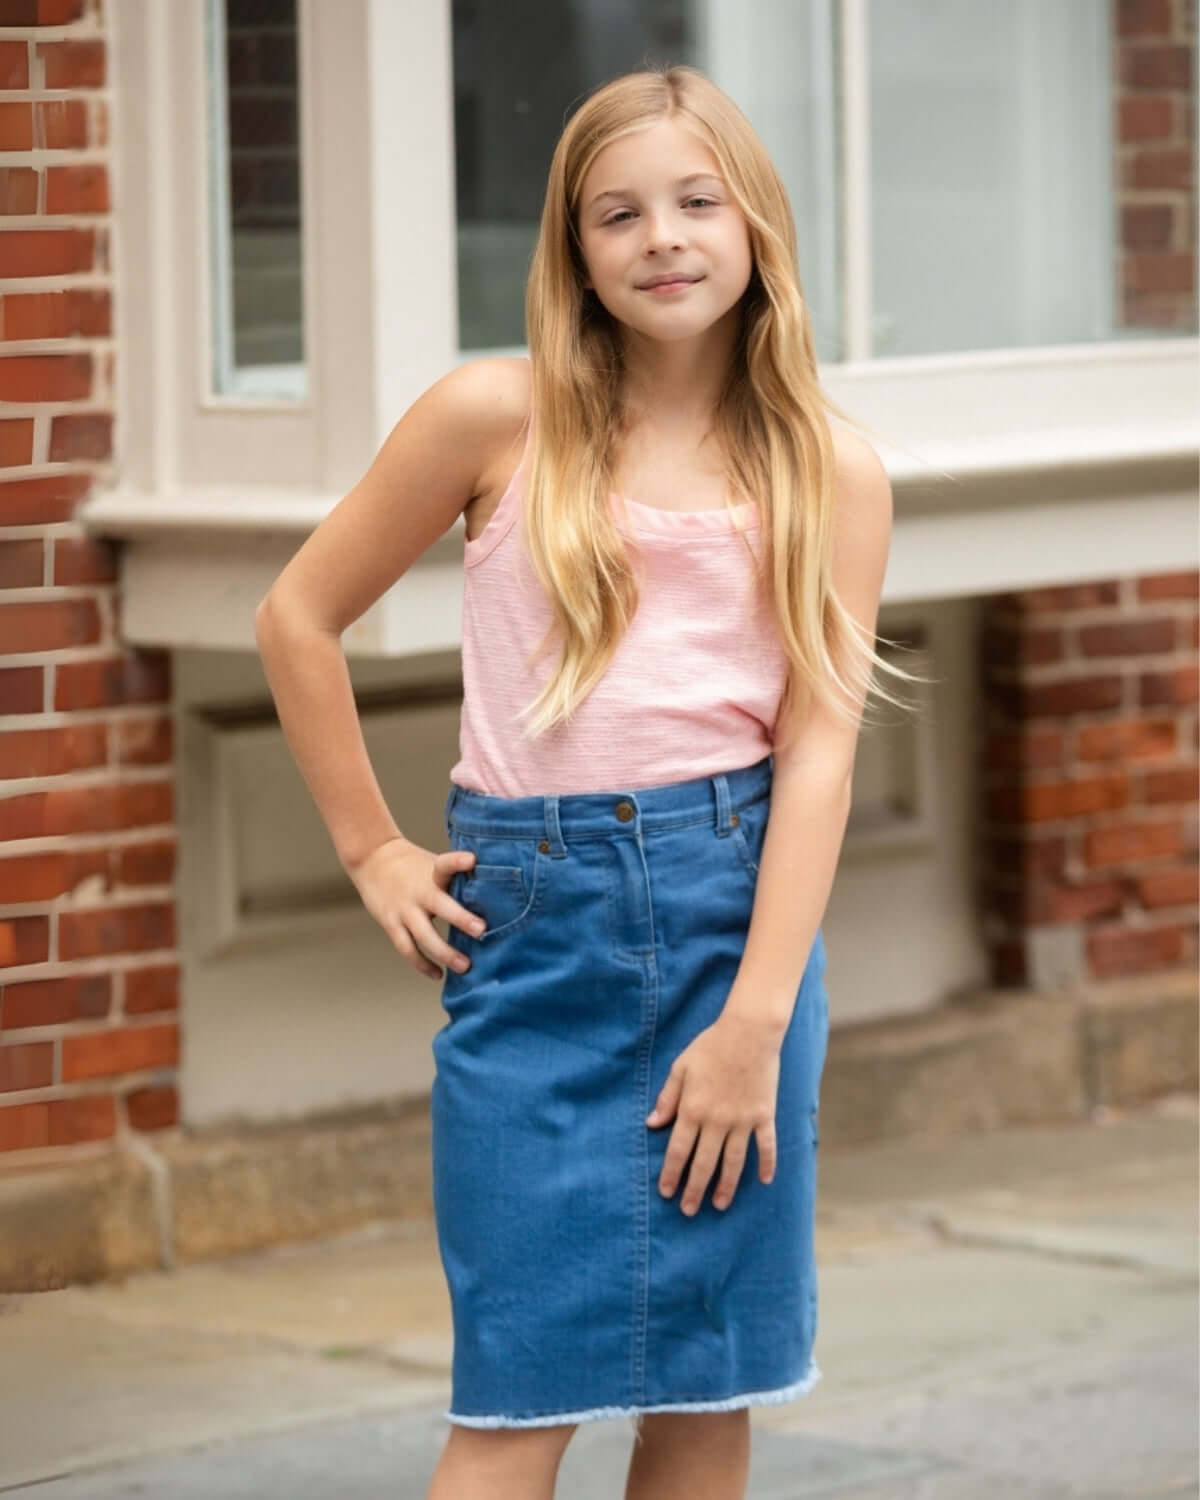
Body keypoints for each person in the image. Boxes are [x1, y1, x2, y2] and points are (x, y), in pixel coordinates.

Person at [255, 61, 913, 1500]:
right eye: (617, 214)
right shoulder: (493, 417)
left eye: (696, 201)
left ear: (757, 228)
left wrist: (753, 1021)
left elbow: (817, 754)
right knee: (518, 1396)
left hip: (738, 921)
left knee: (707, 1384)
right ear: (573, 249)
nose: (662, 237)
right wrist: (371, 849)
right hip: (537, 932)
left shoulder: (833, 471)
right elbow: (296, 617)